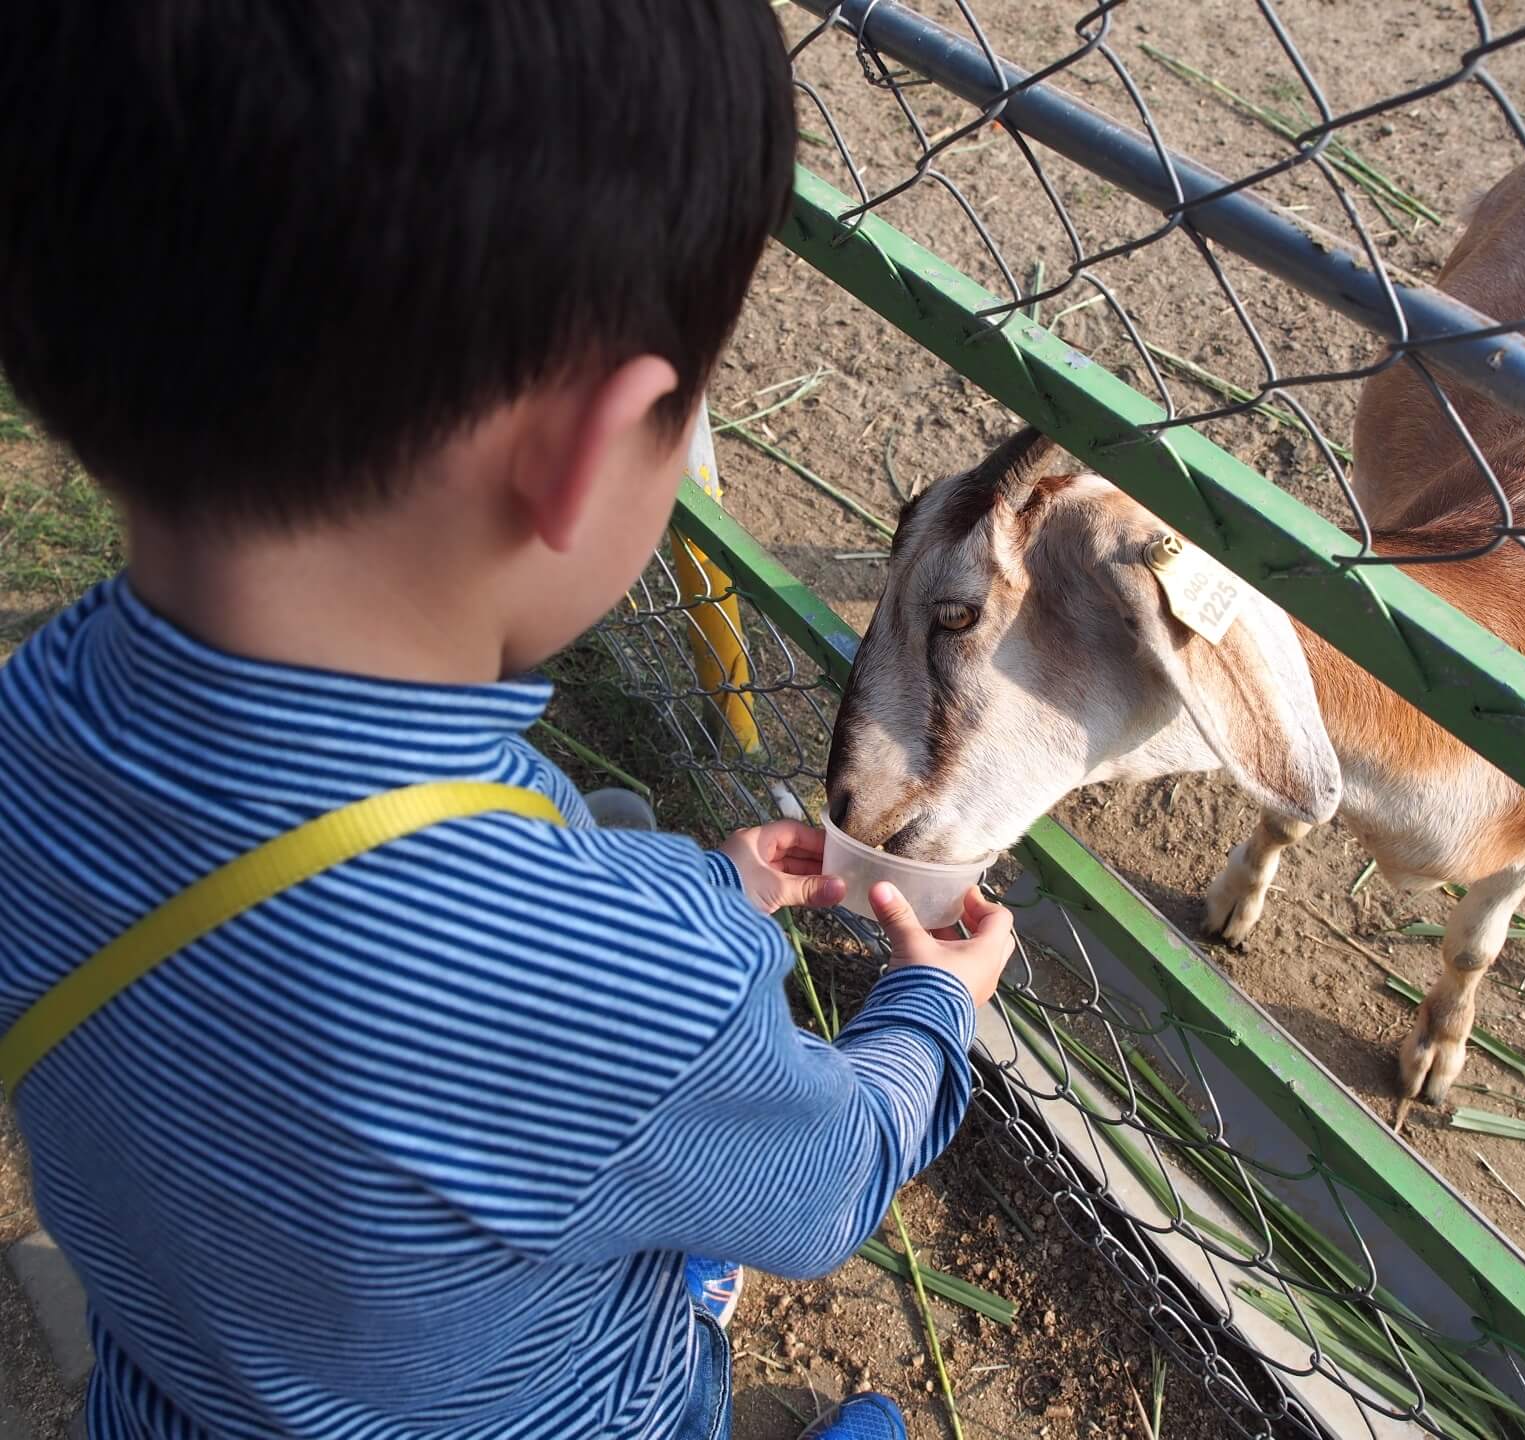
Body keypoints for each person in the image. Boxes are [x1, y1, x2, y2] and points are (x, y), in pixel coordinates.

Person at [0, 4, 1015, 1437]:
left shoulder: (26, 734)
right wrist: (931, 1013)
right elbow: (828, 1182)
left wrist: (689, 894)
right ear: (582, 456)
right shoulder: (633, 993)